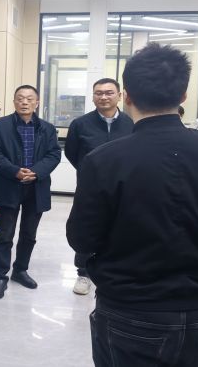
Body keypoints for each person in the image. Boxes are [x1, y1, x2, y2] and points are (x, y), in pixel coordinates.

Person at [66, 43, 198, 367]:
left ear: (126, 96)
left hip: (127, 309)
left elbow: (82, 239)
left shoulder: (103, 160)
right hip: (196, 311)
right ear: (183, 95)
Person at [0, 85, 61, 300]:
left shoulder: (47, 128)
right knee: (5, 233)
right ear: (14, 102)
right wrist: (15, 171)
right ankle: (0, 276)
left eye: (29, 99)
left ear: (37, 103)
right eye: (20, 98)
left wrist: (36, 172)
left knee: (29, 233)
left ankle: (20, 270)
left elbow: (54, 154)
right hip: (9, 185)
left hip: (36, 187)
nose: (24, 102)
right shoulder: (1, 125)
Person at [64, 78, 133, 296]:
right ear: (93, 97)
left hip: (125, 188)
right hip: (90, 188)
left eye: (109, 93)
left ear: (119, 96)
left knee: (122, 228)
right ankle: (83, 274)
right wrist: (89, 174)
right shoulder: (80, 124)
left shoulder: (132, 123)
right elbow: (72, 153)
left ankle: (116, 271)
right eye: (98, 93)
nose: (103, 97)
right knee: (88, 226)